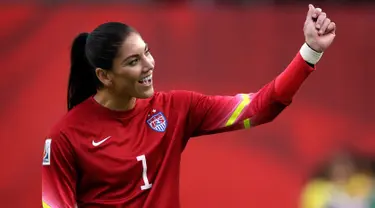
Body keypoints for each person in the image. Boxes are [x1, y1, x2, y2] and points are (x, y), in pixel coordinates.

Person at [42, 4, 336, 208]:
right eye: (133, 62)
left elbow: (260, 107)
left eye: (147, 52)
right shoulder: (65, 137)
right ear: (104, 76)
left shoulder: (176, 108)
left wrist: (310, 51)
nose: (149, 65)